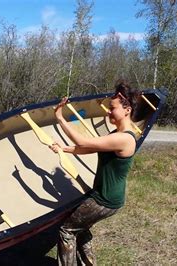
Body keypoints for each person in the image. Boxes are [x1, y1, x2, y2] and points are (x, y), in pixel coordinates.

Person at [49, 81, 144, 266]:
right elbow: (90, 149)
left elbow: (83, 143)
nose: (108, 112)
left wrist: (60, 117)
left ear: (127, 110)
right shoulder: (118, 133)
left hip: (105, 200)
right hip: (106, 197)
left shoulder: (124, 138)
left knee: (66, 230)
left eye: (112, 108)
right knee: (81, 228)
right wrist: (64, 149)